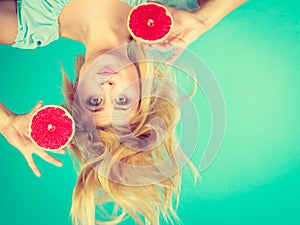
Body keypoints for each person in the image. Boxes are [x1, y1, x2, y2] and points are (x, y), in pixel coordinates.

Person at [0, 0, 247, 224]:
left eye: (95, 101)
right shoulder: (171, 11)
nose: (107, 88)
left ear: (77, 92)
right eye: (122, 99)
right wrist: (205, 19)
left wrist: (5, 122)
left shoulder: (28, 23)